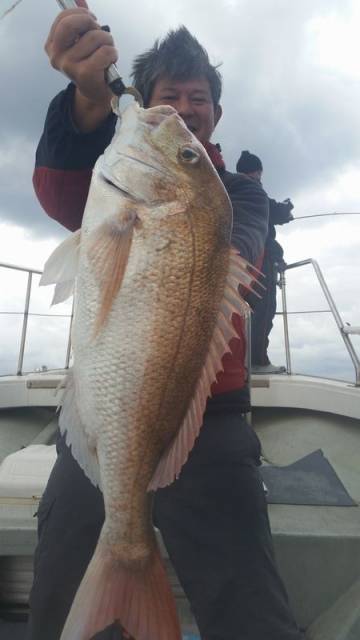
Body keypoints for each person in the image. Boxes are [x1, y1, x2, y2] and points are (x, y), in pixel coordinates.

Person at [27, 6, 304, 640]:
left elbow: (234, 247)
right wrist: (87, 99)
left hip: (214, 420)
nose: (184, 108)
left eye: (198, 98)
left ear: (217, 113)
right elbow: (59, 191)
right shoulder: (113, 184)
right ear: (142, 101)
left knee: (250, 603)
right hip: (106, 416)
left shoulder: (239, 193)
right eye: (168, 96)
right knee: (61, 578)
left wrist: (162, 187)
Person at [236, 150, 294, 374]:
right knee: (264, 308)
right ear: (257, 170)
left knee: (247, 311)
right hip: (262, 260)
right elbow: (274, 211)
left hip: (245, 260)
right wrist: (287, 208)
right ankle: (258, 361)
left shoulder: (234, 188)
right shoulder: (253, 189)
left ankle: (245, 359)